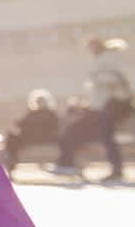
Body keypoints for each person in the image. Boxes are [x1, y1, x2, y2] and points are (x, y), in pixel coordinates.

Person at [53, 36, 131, 180]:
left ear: (98, 46)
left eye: (91, 47)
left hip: (108, 107)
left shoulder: (109, 59)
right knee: (88, 134)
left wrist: (96, 78)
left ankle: (69, 164)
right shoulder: (102, 60)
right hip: (101, 107)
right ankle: (70, 164)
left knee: (102, 136)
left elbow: (119, 79)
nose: (90, 51)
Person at [2, 89, 60, 173]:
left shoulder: (49, 114)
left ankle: (11, 161)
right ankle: (11, 160)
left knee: (12, 138)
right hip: (30, 137)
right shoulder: (34, 113)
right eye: (38, 101)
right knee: (11, 136)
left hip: (38, 138)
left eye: (41, 101)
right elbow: (21, 123)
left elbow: (24, 124)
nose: (39, 103)